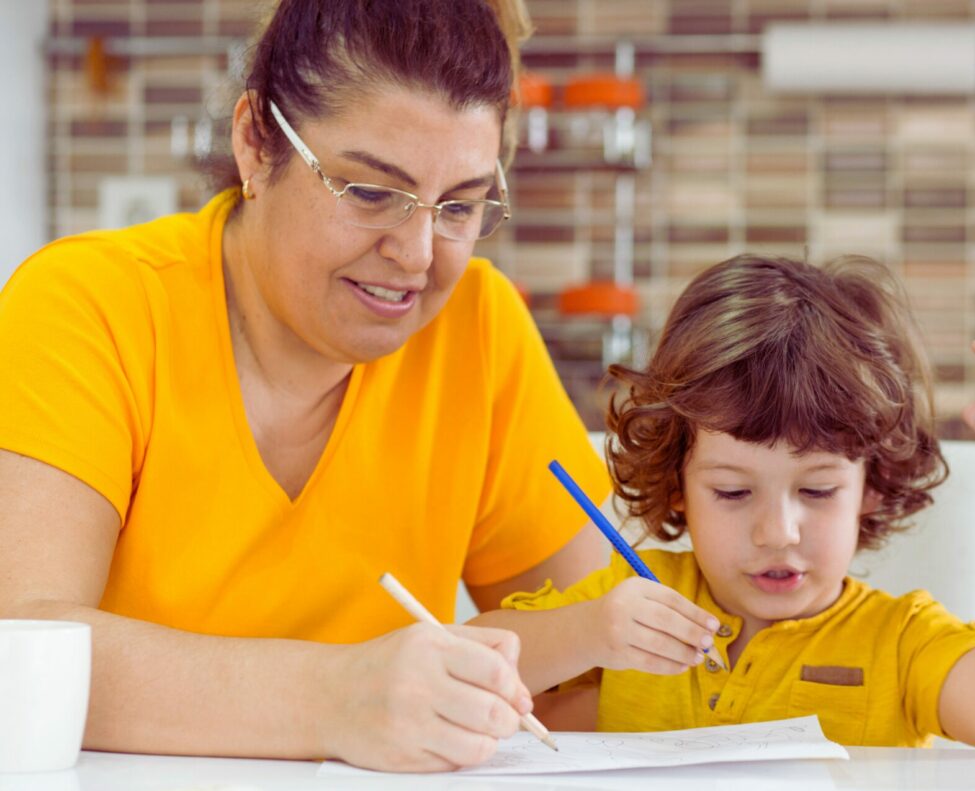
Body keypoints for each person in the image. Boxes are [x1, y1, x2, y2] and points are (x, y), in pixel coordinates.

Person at [0, 0, 610, 772]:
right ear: (257, 142)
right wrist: (335, 696)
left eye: (458, 205)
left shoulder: (478, 331)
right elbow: (17, 642)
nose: (418, 253)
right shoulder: (86, 306)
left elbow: (592, 667)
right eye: (368, 191)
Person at [474, 253, 975, 749]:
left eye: (817, 490)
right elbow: (466, 661)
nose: (777, 532)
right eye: (733, 491)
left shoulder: (902, 641)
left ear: (872, 485)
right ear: (677, 485)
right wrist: (585, 632)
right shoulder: (629, 602)